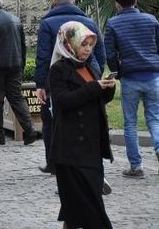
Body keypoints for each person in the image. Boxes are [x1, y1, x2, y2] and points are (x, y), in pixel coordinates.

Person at [48, 21, 115, 229]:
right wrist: (94, 88)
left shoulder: (89, 67)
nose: (87, 49)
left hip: (92, 147)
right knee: (92, 210)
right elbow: (63, 101)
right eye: (83, 44)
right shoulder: (59, 70)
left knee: (79, 208)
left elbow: (96, 100)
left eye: (90, 45)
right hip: (71, 149)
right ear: (69, 44)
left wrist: (107, 89)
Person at [35, 0, 106, 174]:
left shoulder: (47, 24)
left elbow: (42, 56)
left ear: (53, 2)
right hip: (87, 73)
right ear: (74, 1)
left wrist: (41, 84)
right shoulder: (88, 22)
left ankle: (54, 162)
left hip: (57, 75)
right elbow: (100, 51)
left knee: (52, 120)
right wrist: (97, 72)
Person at [103, 0, 159, 178]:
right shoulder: (151, 20)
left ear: (117, 4)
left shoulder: (113, 23)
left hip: (130, 77)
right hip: (153, 75)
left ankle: (136, 166)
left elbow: (109, 53)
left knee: (130, 123)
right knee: (154, 118)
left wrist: (116, 71)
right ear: (135, 1)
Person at [0, 0, 42, 145]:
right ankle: (30, 129)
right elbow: (22, 46)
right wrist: (22, 64)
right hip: (15, 65)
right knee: (17, 97)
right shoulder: (15, 20)